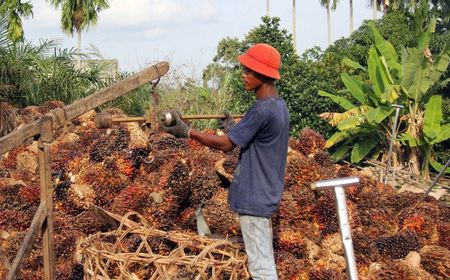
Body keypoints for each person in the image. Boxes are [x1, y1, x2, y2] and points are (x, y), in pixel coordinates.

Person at [160, 43, 290, 280]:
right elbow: (256, 138)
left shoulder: (261, 110)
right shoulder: (279, 107)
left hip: (254, 198)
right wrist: (235, 128)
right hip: (266, 193)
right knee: (261, 259)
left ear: (262, 75)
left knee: (262, 268)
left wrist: (187, 132)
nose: (244, 75)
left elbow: (226, 145)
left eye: (248, 70)